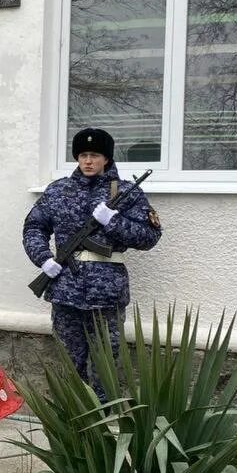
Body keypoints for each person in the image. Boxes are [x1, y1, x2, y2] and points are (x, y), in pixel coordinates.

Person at [22, 128, 162, 398]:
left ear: (106, 159)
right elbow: (33, 227)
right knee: (69, 366)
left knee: (105, 368)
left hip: (106, 295)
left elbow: (150, 236)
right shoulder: (59, 190)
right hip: (65, 292)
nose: (88, 161)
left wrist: (114, 222)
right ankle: (71, 426)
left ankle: (104, 428)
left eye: (95, 155)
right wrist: (43, 258)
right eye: (83, 155)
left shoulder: (124, 192)